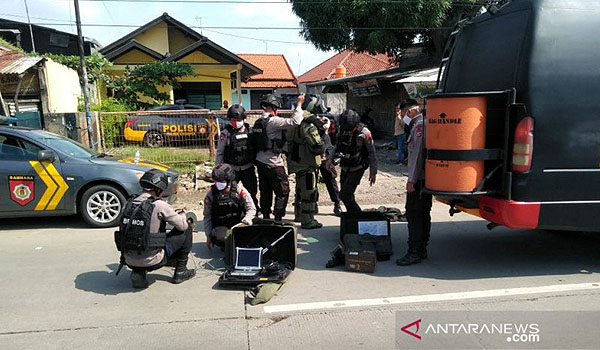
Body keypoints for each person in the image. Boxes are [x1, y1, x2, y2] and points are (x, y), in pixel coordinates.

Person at [115, 169, 195, 288]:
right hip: (153, 260)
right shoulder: (159, 205)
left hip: (128, 259)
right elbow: (182, 225)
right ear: (159, 189)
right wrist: (182, 215)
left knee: (142, 237)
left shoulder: (128, 203)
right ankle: (180, 272)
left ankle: (138, 272)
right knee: (187, 227)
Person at [253, 93, 305, 221]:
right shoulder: (274, 121)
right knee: (283, 191)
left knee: (265, 191)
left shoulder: (258, 122)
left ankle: (265, 216)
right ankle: (278, 218)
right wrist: (299, 104)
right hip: (273, 163)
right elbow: (295, 121)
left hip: (260, 162)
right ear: (274, 107)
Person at [397, 100, 432, 266]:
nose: (402, 117)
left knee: (414, 215)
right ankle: (422, 249)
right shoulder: (423, 124)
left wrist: (412, 180)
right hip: (425, 178)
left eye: (402, 113)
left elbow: (417, 155)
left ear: (410, 111)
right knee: (424, 213)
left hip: (419, 179)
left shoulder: (419, 127)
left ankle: (414, 252)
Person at [287, 95, 326, 229]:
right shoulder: (308, 124)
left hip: (297, 162)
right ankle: (308, 220)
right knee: (309, 193)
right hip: (307, 163)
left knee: (299, 191)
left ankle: (298, 214)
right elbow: (317, 146)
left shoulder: (295, 120)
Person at [327, 109, 377, 213]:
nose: (348, 131)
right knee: (348, 195)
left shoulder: (364, 133)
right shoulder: (342, 130)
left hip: (358, 167)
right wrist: (330, 159)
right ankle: (352, 217)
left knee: (344, 195)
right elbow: (336, 146)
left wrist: (373, 172)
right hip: (345, 166)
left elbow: (372, 153)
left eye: (350, 129)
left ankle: (358, 217)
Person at [216, 104, 259, 211]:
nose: (236, 121)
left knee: (252, 192)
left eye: (238, 119)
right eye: (233, 119)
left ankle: (253, 211)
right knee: (230, 193)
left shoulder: (250, 132)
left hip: (248, 168)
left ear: (243, 119)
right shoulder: (225, 134)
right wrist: (218, 171)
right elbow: (220, 153)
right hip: (231, 169)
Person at [203, 164, 256, 248]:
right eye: (216, 182)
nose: (218, 184)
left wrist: (246, 221)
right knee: (221, 238)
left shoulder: (239, 190)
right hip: (221, 225)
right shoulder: (211, 194)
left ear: (228, 180)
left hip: (239, 223)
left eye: (221, 182)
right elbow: (207, 215)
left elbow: (251, 208)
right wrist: (208, 235)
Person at [318, 115, 342, 216]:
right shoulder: (311, 129)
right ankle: (311, 205)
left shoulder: (328, 131)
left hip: (326, 157)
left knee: (331, 180)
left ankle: (337, 203)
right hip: (314, 157)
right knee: (310, 182)